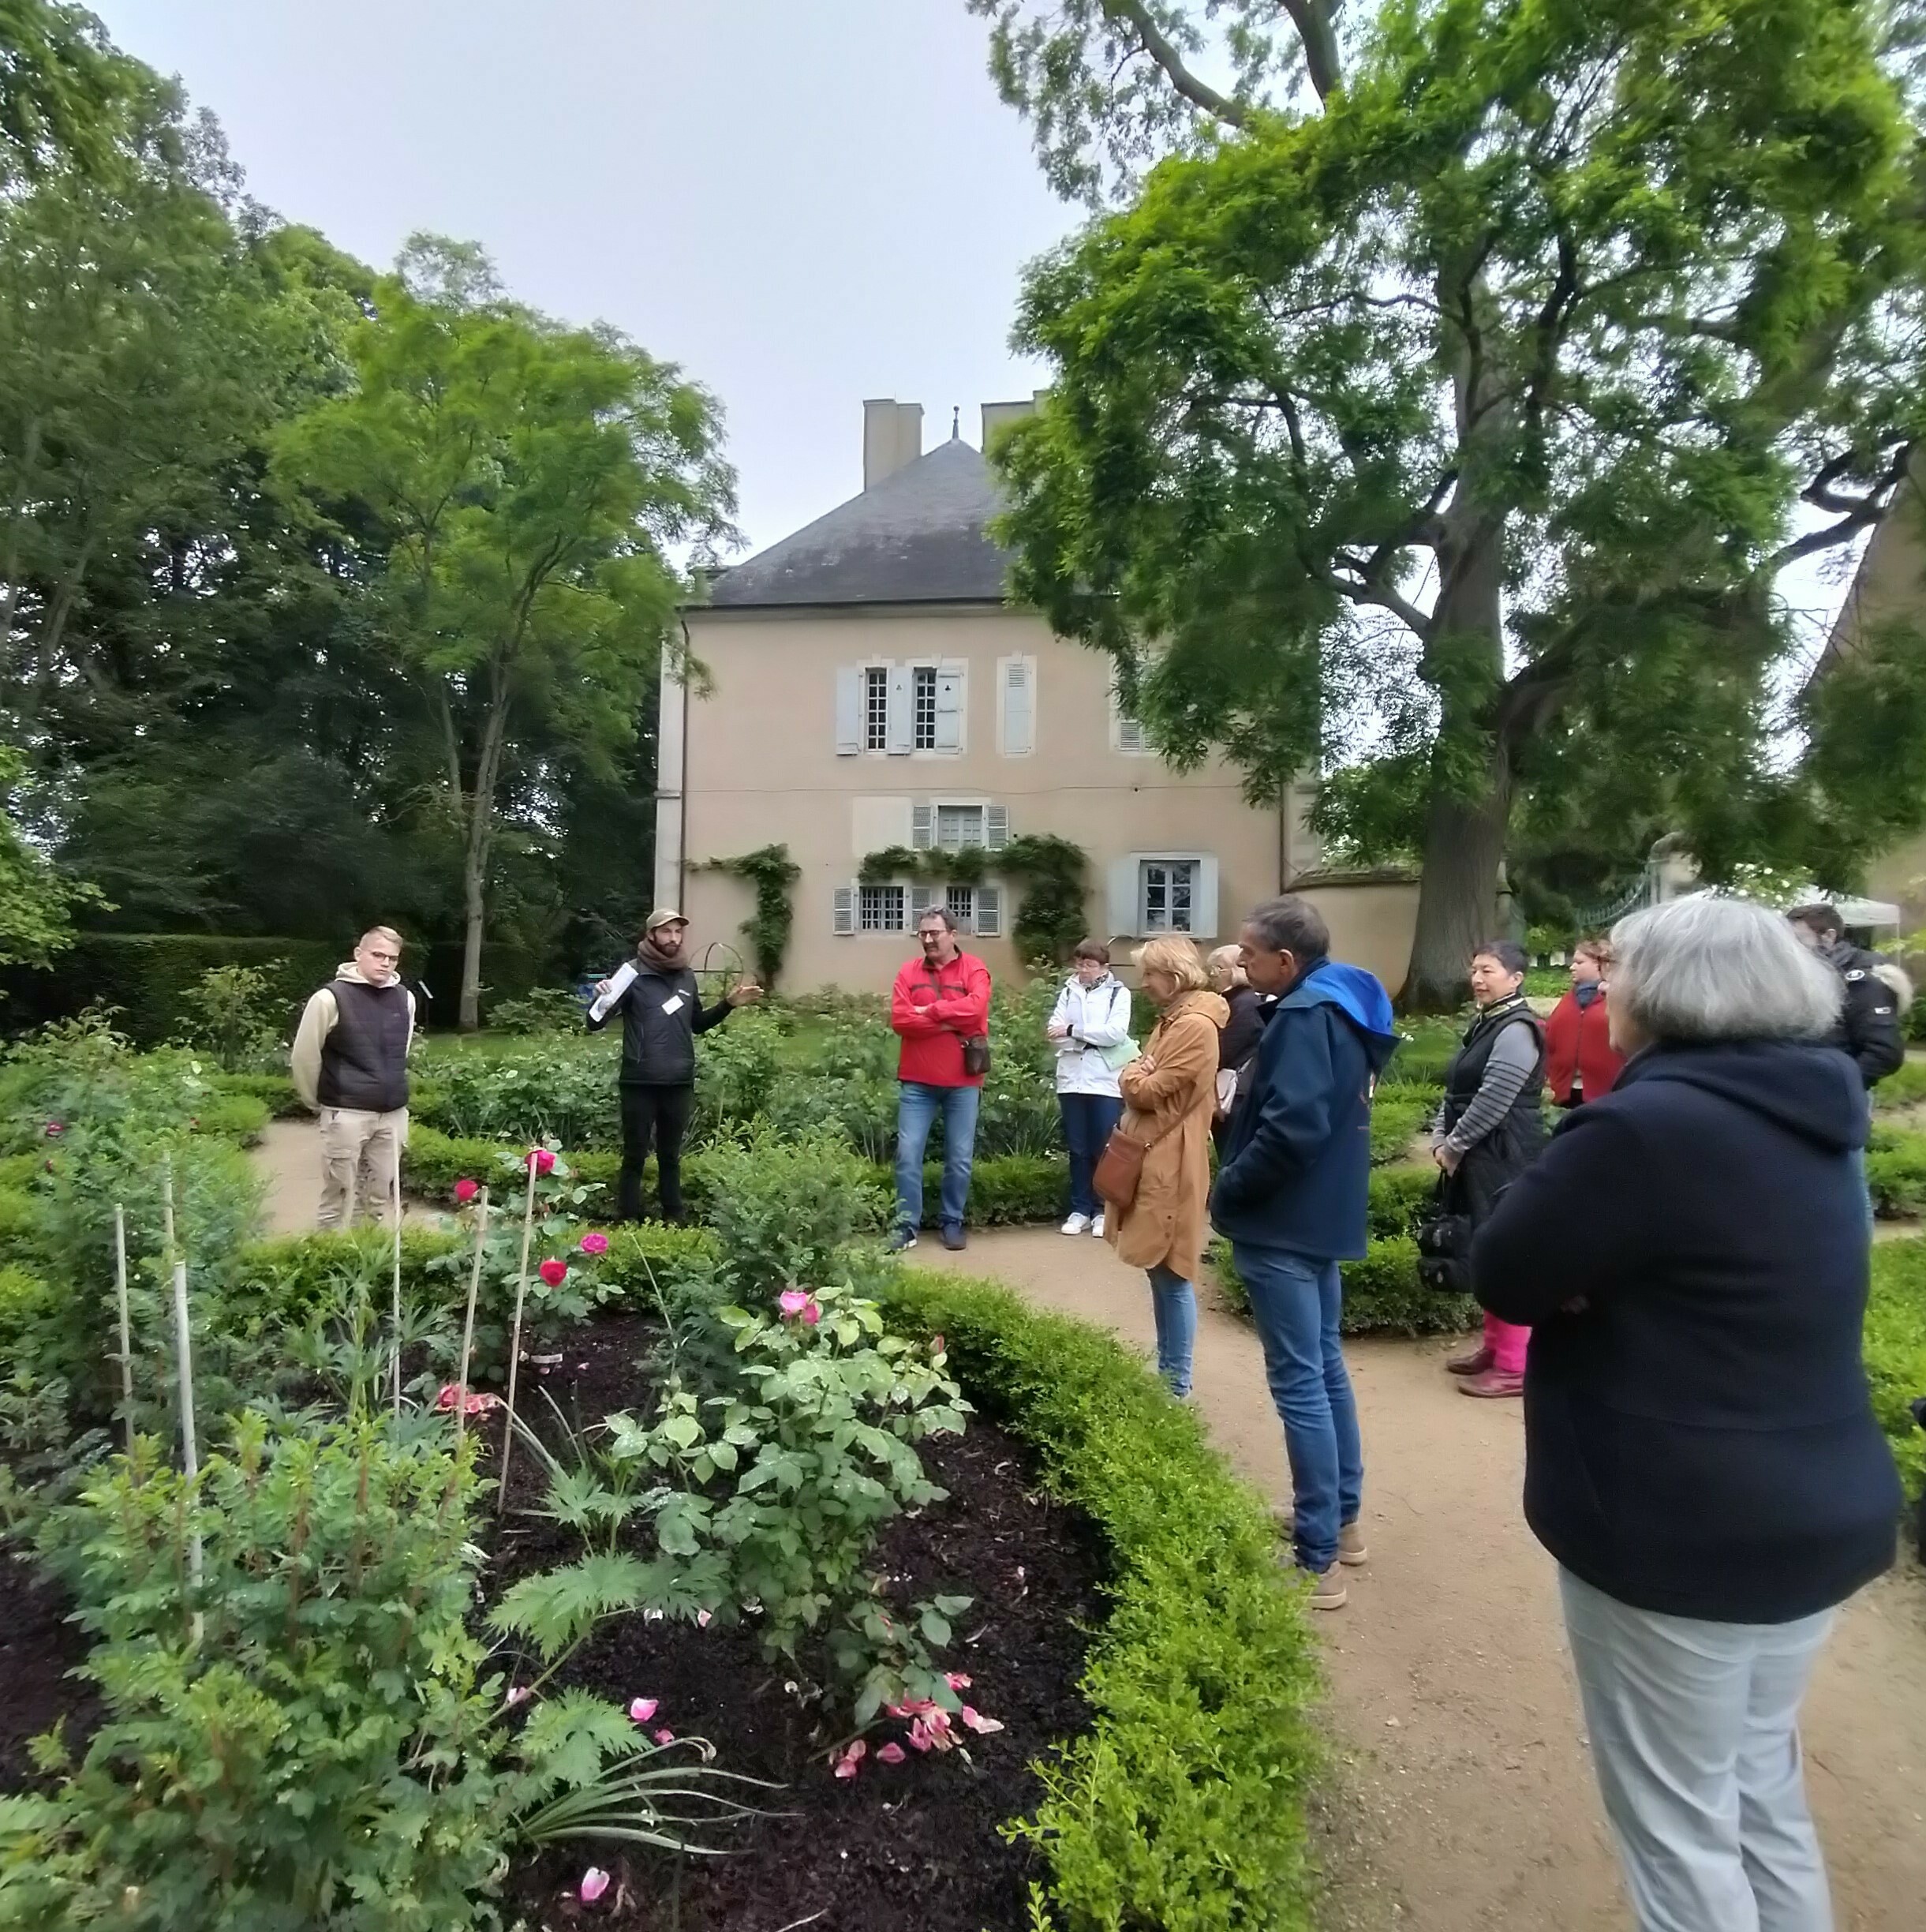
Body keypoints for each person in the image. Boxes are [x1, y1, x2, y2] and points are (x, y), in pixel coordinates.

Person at [1472, 896, 1899, 1932]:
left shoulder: (1643, 1125)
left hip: (1677, 1528)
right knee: (1759, 1791)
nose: (1605, 987)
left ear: (1660, 991)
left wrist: (1593, 1278)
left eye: (1617, 970)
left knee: (1677, 1829)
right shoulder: (1822, 1107)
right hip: (1818, 1503)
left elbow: (1506, 1271)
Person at [1210, 897, 1398, 1611]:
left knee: (1299, 1384)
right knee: (1322, 1368)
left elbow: (1292, 1128)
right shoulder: (1344, 1001)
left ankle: (1315, 1553)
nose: (1242, 963)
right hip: (1320, 1217)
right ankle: (1340, 1523)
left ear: (1285, 962)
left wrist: (1230, 1188)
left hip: (1281, 1224)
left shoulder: (1298, 1014)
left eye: (1250, 955)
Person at [1105, 937, 1225, 1399]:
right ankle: (1169, 1377)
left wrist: (1134, 1074)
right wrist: (1140, 1070)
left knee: (1172, 1270)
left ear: (1173, 977)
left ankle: (1176, 1384)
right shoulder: (1175, 1019)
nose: (1144, 984)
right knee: (1160, 1270)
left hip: (1172, 1161)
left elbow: (1144, 1091)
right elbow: (1143, 1074)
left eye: (1150, 975)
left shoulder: (1194, 1027)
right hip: (1158, 1156)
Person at [589, 909, 761, 1223]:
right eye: (666, 932)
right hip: (640, 1080)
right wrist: (599, 999)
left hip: (678, 1081)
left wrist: (728, 1005)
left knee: (670, 1156)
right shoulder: (631, 973)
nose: (673, 938)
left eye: (678, 932)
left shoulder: (685, 976)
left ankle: (674, 1217)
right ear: (651, 935)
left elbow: (696, 1024)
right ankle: (627, 1218)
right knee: (635, 1156)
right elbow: (594, 1023)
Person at [1432, 940, 1547, 1398]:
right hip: (1478, 1149)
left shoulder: (1517, 1028)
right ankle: (1496, 1347)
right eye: (1475, 969)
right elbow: (1456, 1090)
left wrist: (1455, 1145)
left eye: (1489, 971)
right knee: (1484, 1243)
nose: (1477, 979)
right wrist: (1443, 1136)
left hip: (1504, 1151)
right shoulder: (1487, 1022)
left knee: (1507, 1250)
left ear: (1516, 979)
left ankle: (1515, 1366)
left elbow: (1496, 1097)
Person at [290, 926, 417, 1230]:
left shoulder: (406, 999)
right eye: (378, 955)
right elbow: (305, 1057)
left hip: (392, 1115)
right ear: (359, 954)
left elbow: (402, 1050)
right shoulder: (329, 999)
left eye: (393, 958)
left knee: (377, 1195)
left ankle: (366, 1258)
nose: (385, 963)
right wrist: (316, 1101)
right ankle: (327, 1259)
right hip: (346, 1112)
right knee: (338, 1194)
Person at [889, 908, 992, 1252]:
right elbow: (900, 1020)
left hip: (963, 1081)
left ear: (953, 934)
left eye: (935, 933)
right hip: (917, 1082)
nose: (929, 940)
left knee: (960, 1157)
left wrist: (930, 1012)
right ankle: (907, 1226)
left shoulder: (974, 969)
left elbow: (976, 1010)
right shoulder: (908, 971)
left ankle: (952, 1222)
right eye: (923, 934)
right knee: (907, 1154)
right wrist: (951, 1020)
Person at [1047, 938, 1133, 1237]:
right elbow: (1052, 1032)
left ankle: (1102, 1210)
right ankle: (1079, 1209)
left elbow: (1114, 1033)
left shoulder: (1118, 994)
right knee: (1078, 1148)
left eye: (1089, 965)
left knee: (1104, 1147)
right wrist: (1081, 1037)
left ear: (1103, 968)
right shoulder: (1068, 991)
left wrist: (1074, 1032)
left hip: (1104, 1080)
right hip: (1072, 1078)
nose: (1083, 969)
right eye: (1080, 963)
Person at [1786, 902, 1906, 1088]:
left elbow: (1884, 1052)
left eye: (1798, 939)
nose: (1791, 947)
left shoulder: (1862, 981)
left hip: (1832, 1097)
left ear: (1829, 936)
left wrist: (1838, 1088)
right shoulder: (1812, 974)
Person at [1544, 938, 1625, 1110]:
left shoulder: (1618, 1000)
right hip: (1566, 1092)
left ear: (1600, 965)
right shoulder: (1568, 1000)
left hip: (1606, 1093)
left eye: (1579, 962)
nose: (1572, 967)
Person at [1207, 942, 1265, 1159]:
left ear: (1236, 970)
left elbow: (1221, 1051)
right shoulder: (1233, 1001)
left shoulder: (1246, 1004)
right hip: (1232, 1093)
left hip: (1237, 1095)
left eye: (1218, 968)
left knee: (1233, 1156)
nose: (1213, 975)